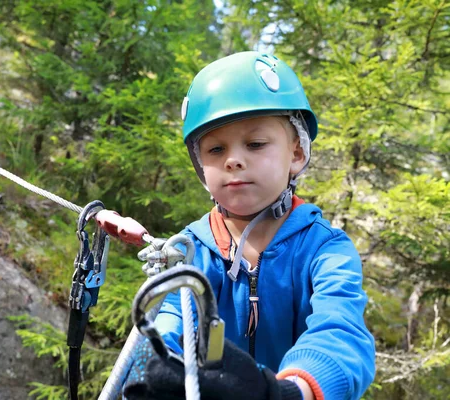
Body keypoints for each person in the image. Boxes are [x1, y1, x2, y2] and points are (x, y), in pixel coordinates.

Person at [123, 51, 376, 400]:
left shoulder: (325, 250)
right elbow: (172, 320)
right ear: (200, 166)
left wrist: (290, 392)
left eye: (255, 144)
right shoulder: (193, 249)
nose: (233, 160)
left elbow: (341, 331)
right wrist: (152, 369)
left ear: (297, 153)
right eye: (214, 149)